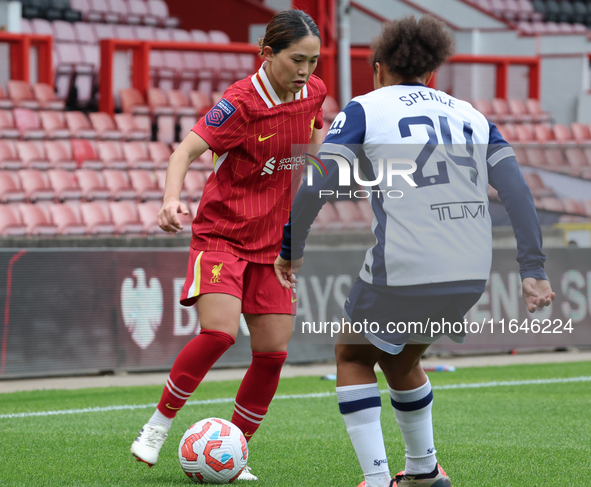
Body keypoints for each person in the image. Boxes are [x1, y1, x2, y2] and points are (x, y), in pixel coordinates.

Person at [274, 15, 555, 487]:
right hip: (469, 270)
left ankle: (377, 478)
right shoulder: (471, 115)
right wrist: (533, 268)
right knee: (401, 360)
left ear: (379, 68)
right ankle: (424, 471)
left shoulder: (366, 109)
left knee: (353, 355)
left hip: (408, 261)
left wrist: (291, 248)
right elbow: (517, 191)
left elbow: (318, 182)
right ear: (431, 73)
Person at [130, 9, 326, 481]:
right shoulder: (239, 103)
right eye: (296, 59)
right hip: (222, 235)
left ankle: (234, 453)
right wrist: (171, 201)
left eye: (314, 61)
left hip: (272, 243)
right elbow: (185, 151)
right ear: (267, 54)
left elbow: (314, 138)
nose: (305, 72)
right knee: (220, 333)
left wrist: (318, 178)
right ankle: (157, 426)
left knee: (273, 353)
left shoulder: (313, 92)